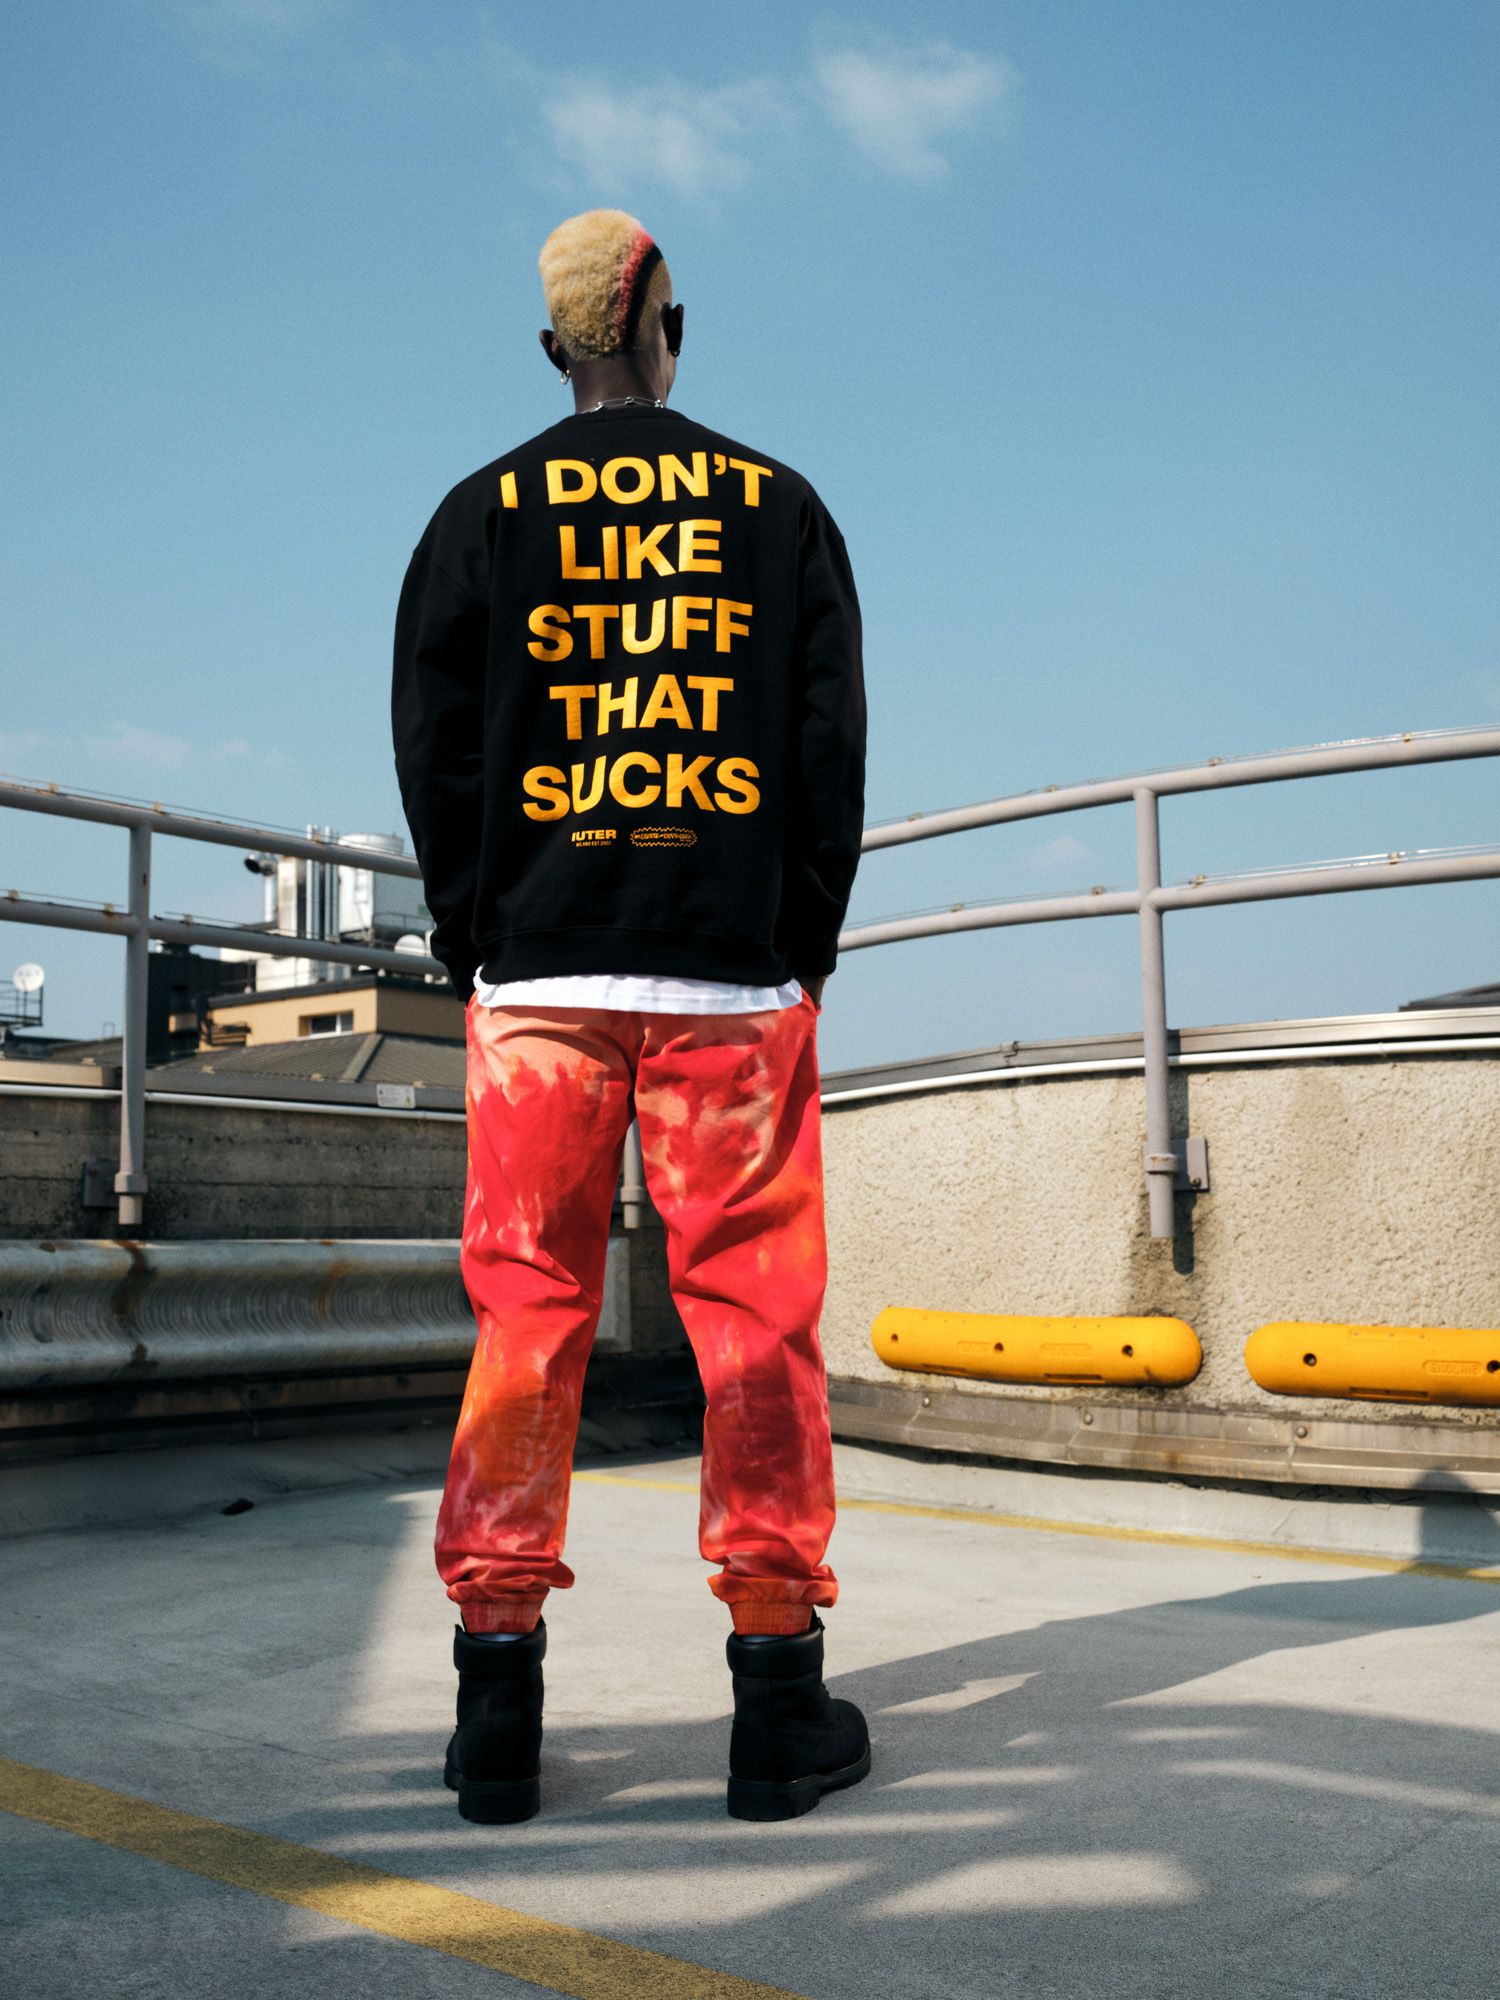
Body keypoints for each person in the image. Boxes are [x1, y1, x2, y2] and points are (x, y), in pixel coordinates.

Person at [391, 208, 868, 1826]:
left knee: (528, 1321)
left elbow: (437, 748)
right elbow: (826, 745)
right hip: (730, 978)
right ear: (671, 325)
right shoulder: (777, 505)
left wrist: (482, 937)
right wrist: (800, 942)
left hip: (539, 982)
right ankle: (777, 1703)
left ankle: (496, 1711)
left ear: (554, 347)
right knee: (754, 1326)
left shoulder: (480, 512)